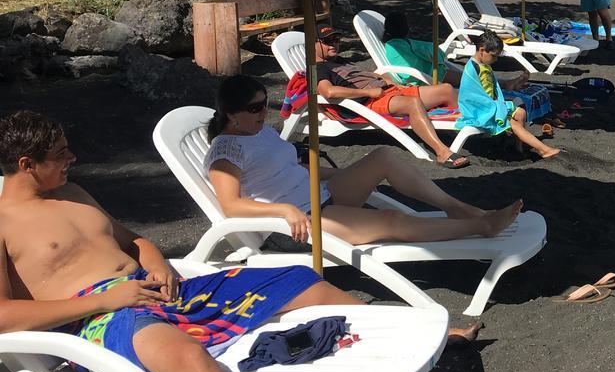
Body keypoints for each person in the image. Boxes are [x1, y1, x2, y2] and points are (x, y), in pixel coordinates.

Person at [0, 110, 479, 372]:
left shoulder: (74, 193)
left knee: (298, 281)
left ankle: (409, 337)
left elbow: (135, 240)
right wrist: (106, 300)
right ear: (27, 164)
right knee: (187, 359)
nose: (72, 158)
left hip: (161, 288)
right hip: (99, 318)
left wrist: (158, 263)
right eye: (61, 153)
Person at [207, 76, 524, 246]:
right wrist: (284, 210)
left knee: (382, 157)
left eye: (264, 105)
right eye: (254, 108)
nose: (264, 112)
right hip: (296, 225)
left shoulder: (259, 132)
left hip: (321, 197)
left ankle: (456, 207)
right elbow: (231, 206)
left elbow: (290, 168)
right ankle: (482, 225)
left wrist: (343, 174)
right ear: (231, 113)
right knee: (390, 220)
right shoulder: (226, 151)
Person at [312, 26, 468, 168]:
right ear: (312, 44)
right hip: (368, 102)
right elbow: (328, 92)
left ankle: (467, 126)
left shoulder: (339, 60)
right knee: (412, 103)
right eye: (327, 41)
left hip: (388, 90)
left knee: (446, 90)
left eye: (336, 39)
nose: (333, 44)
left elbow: (365, 76)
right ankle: (442, 152)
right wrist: (368, 92)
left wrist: (387, 80)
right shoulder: (315, 68)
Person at [456, 31, 561, 159]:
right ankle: (543, 150)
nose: (496, 60)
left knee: (521, 112)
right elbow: (472, 96)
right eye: (494, 56)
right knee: (514, 123)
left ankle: (518, 148)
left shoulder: (483, 65)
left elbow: (491, 89)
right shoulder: (472, 68)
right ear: (482, 50)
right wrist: (496, 106)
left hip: (490, 104)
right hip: (479, 109)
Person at [380, 10, 529, 92]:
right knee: (469, 79)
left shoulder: (401, 43)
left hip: (431, 71)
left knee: (468, 76)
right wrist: (429, 59)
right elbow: (409, 69)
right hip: (425, 76)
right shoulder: (395, 47)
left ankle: (504, 83)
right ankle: (505, 84)